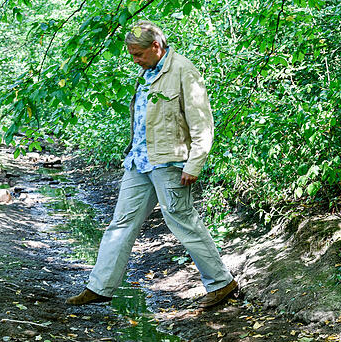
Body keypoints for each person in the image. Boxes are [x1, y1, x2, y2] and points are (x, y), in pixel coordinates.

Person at [66, 21, 237, 308]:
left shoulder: (183, 70)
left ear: (156, 47)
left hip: (170, 162)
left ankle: (221, 283)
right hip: (139, 160)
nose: (135, 61)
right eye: (132, 55)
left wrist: (194, 164)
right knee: (120, 223)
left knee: (183, 221)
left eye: (138, 55)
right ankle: (99, 287)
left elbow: (202, 122)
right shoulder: (146, 72)